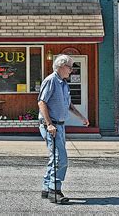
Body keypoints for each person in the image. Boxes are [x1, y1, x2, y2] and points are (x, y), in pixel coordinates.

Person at [37, 54, 89, 204]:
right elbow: (42, 103)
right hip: (51, 125)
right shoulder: (51, 80)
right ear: (60, 66)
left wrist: (81, 117)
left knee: (55, 157)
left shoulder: (64, 84)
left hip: (59, 125)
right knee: (61, 158)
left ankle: (46, 189)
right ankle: (55, 191)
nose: (71, 70)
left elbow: (69, 105)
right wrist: (49, 124)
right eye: (69, 67)